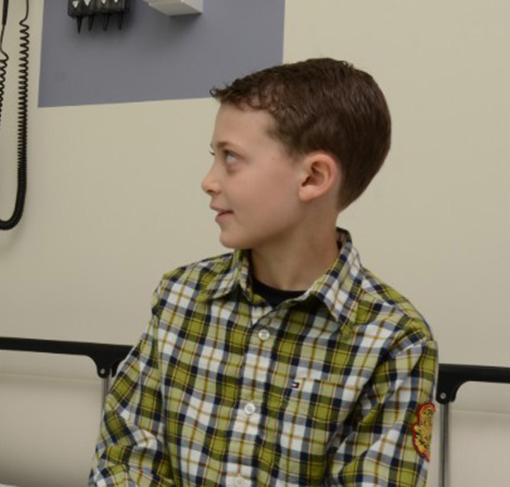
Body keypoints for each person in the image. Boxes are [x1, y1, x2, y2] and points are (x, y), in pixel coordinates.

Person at [89, 58, 437, 486]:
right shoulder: (181, 296)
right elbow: (124, 458)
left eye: (230, 158)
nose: (208, 181)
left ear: (312, 177)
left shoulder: (394, 340)